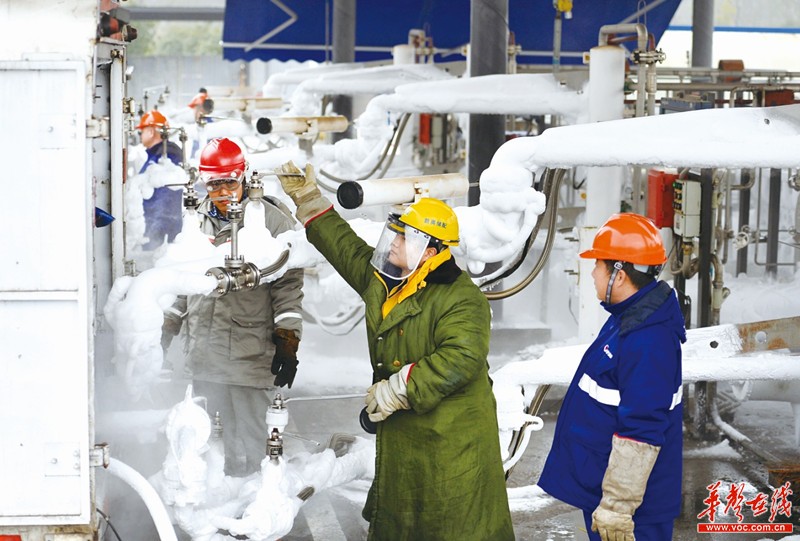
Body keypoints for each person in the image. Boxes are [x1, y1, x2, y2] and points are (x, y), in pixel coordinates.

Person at [275, 161, 514, 541]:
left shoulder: (461, 298)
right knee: (404, 520)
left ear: (430, 249)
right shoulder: (386, 280)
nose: (394, 244)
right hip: (405, 433)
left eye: (404, 239)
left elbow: (462, 357)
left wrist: (398, 388)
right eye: (395, 236)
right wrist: (307, 199)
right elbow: (344, 246)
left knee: (454, 524)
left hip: (453, 435)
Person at [537, 213, 686, 541]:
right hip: (605, 490)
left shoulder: (648, 340)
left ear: (619, 272)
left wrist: (618, 508)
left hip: (635, 513)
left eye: (598, 264)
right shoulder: (626, 318)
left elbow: (643, 430)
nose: (592, 273)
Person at [162, 138, 304, 476]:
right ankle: (213, 514)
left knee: (255, 443)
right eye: (215, 184)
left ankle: (261, 514)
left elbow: (288, 286)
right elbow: (181, 282)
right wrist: (165, 331)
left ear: (244, 177)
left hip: (249, 358)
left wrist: (288, 339)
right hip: (204, 358)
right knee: (205, 441)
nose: (223, 191)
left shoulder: (272, 222)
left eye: (230, 181)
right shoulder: (196, 222)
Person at [136, 109, 184, 250]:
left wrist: (155, 232)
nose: (139, 136)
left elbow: (165, 198)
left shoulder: (167, 153)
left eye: (141, 132)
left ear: (151, 131)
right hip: (155, 224)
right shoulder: (156, 154)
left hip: (161, 228)